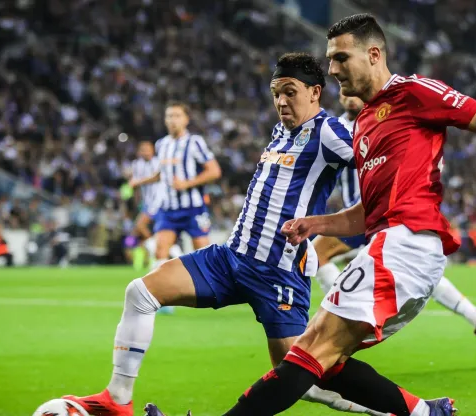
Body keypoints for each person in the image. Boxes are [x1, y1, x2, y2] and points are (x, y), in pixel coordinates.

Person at [206, 14, 476, 416]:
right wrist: (315, 224)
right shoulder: (366, 121)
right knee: (327, 362)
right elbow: (369, 213)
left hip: (406, 245)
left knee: (308, 351)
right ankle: (426, 413)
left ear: (373, 54)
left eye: (340, 58)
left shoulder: (413, 91)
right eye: (329, 59)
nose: (332, 69)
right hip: (388, 243)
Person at [64, 53, 385, 416]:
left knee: (304, 378)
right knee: (139, 292)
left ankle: (401, 411)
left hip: (276, 274)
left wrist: (327, 223)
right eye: (275, 92)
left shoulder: (330, 132)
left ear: (315, 92)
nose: (280, 100)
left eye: (290, 92)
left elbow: (381, 164)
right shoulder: (282, 129)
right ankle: (118, 399)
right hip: (230, 259)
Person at [314, 95, 476, 357]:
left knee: (317, 255)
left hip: (379, 212)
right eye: (344, 92)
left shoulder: (381, 120)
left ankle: (339, 316)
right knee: (418, 273)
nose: (349, 97)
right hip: (359, 215)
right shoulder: (337, 127)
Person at [130, 102, 222, 270]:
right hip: (169, 209)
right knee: (160, 252)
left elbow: (214, 171)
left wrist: (187, 184)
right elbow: (161, 174)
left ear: (186, 120)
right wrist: (140, 181)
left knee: (203, 254)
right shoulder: (161, 144)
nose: (173, 120)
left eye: (177, 116)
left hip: (193, 207)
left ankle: (211, 292)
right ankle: (163, 294)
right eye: (169, 116)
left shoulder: (195, 142)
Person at [128, 140, 182, 269]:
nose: (146, 152)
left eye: (148, 149)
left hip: (159, 201)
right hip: (146, 202)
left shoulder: (158, 162)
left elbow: (158, 178)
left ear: (153, 151)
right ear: (139, 152)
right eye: (143, 150)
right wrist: (137, 203)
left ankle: (157, 249)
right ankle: (170, 251)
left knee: (140, 226)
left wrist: (138, 182)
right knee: (141, 232)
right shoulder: (136, 164)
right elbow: (136, 188)